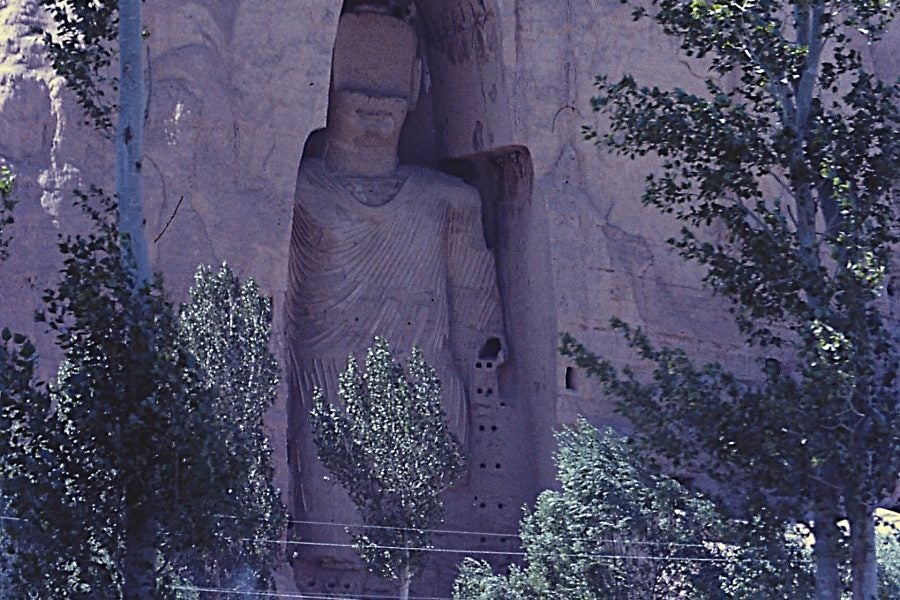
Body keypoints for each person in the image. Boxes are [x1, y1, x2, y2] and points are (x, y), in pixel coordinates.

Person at [284, 1, 505, 589]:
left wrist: (484, 401)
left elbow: (477, 316)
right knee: (337, 545)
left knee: (420, 549)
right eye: (357, 95)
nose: (375, 110)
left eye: (389, 95)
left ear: (415, 90)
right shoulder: (302, 191)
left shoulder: (448, 202)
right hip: (327, 384)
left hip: (424, 384)